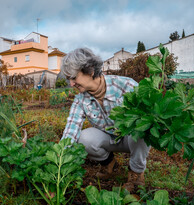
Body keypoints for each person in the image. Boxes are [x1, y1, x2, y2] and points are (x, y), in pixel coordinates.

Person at [60, 47, 150, 191]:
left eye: (73, 77)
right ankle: (109, 163)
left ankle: (136, 172)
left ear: (90, 70)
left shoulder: (127, 86)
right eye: (68, 79)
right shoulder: (80, 100)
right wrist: (59, 161)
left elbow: (149, 116)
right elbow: (71, 129)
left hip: (131, 139)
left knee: (143, 130)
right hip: (110, 139)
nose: (71, 84)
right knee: (83, 138)